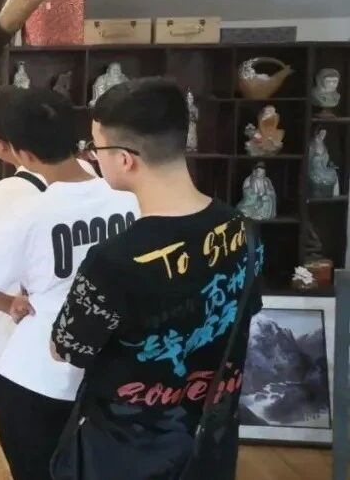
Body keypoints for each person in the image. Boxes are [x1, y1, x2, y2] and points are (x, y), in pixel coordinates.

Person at [50, 78, 263, 480]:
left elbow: (65, 349)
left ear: (124, 159)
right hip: (210, 442)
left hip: (126, 453)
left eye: (96, 147)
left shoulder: (113, 261)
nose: (93, 157)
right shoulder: (243, 229)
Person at [0, 88, 138, 480]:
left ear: (15, 150)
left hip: (38, 373)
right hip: (110, 365)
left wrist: (8, 304)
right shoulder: (126, 196)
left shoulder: (30, 211)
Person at [0, 86, 98, 370]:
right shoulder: (89, 174)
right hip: (84, 335)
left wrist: (7, 304)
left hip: (22, 340)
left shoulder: (8, 193)